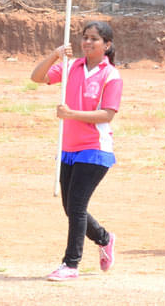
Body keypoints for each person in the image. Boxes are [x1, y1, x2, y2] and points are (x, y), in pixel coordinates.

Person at [30, 21, 122, 281]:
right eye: (85, 37)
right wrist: (54, 55)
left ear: (107, 45)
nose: (87, 42)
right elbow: (37, 77)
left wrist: (72, 114)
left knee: (78, 206)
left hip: (95, 150)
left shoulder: (111, 75)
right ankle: (104, 238)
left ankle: (71, 264)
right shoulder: (71, 67)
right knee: (70, 207)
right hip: (68, 148)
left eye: (94, 39)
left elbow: (107, 114)